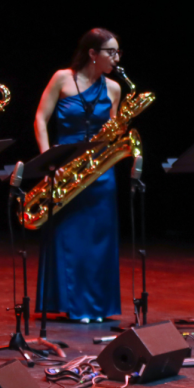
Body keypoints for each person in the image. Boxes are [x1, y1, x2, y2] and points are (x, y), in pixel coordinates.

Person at [32, 28, 123, 323]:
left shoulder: (113, 88)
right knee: (68, 239)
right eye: (111, 52)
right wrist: (49, 160)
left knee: (99, 242)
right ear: (92, 53)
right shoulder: (62, 78)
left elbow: (113, 133)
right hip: (65, 167)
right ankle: (72, 304)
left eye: (118, 52)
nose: (116, 58)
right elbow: (40, 119)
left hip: (100, 173)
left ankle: (96, 307)